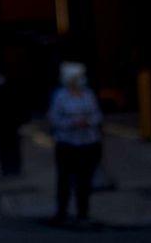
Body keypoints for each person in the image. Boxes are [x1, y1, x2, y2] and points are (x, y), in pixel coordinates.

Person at [48, 62, 102, 223]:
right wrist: (72, 123)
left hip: (89, 143)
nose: (82, 80)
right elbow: (54, 119)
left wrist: (89, 122)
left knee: (84, 180)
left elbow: (97, 114)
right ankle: (62, 212)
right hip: (67, 144)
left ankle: (82, 213)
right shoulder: (60, 96)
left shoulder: (88, 94)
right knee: (64, 180)